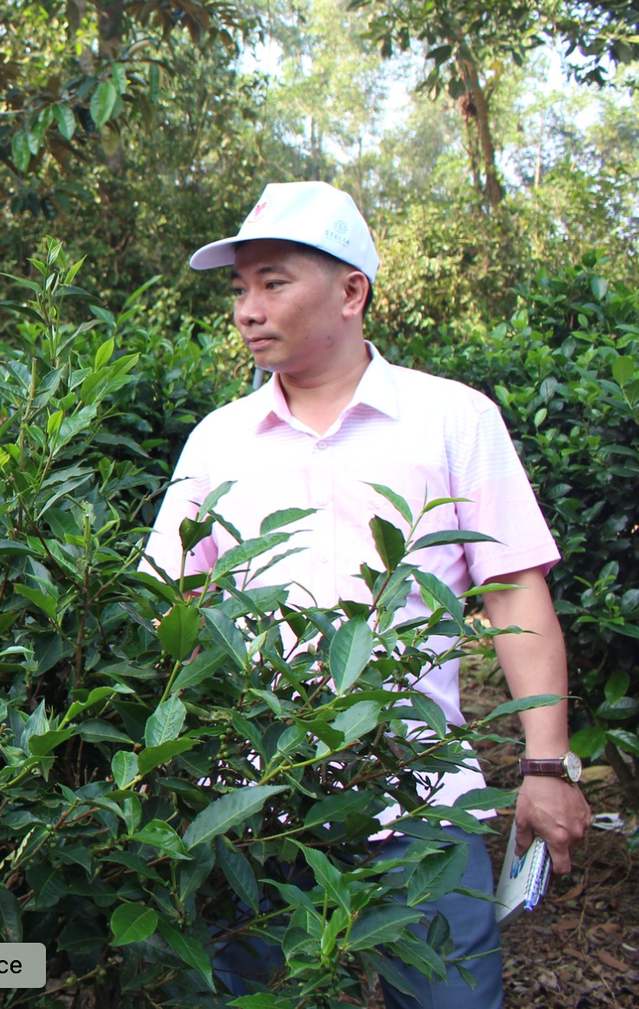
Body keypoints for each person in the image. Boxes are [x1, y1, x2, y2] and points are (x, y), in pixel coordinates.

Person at [143, 181, 592, 1008]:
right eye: (240, 288)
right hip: (250, 803)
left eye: (274, 282)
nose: (248, 308)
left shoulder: (452, 419)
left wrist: (544, 762)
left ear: (352, 291)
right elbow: (175, 605)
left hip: (422, 804)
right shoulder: (218, 440)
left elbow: (515, 592)